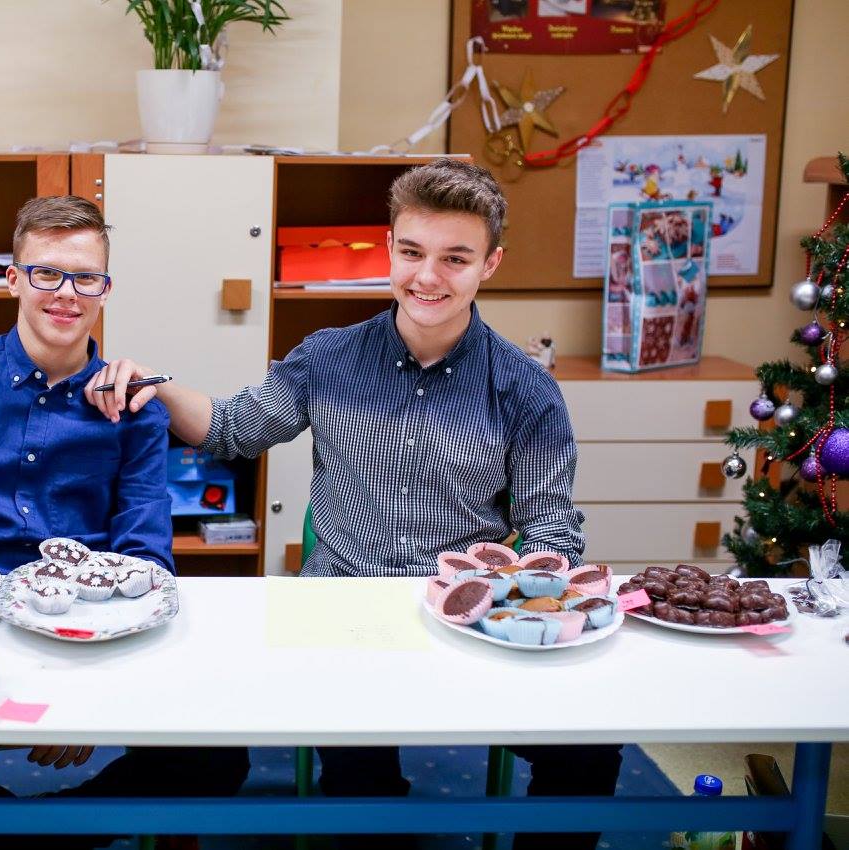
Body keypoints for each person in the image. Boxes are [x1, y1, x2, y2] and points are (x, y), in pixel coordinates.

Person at [86, 160, 621, 850]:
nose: (427, 276)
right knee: (360, 788)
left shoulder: (525, 388)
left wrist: (525, 597)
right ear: (389, 248)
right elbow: (233, 428)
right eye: (412, 252)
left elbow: (550, 524)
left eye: (455, 258)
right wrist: (152, 385)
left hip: (461, 618)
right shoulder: (328, 358)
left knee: (590, 750)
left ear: (489, 264)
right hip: (339, 616)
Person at [0, 195, 248, 849]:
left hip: (94, 624)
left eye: (85, 277)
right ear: (13, 279)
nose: (66, 293)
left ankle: (50, 834)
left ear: (105, 289)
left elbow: (145, 553)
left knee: (217, 760)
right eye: (47, 273)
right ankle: (64, 836)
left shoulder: (134, 407)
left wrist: (85, 686)